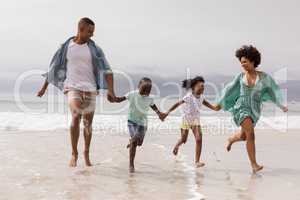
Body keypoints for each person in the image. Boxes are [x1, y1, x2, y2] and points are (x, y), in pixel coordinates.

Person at [37, 17, 117, 167]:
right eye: (89, 31)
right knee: (76, 115)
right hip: (72, 86)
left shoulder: (95, 49)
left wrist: (111, 91)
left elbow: (108, 71)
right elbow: (53, 68)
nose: (92, 35)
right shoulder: (66, 47)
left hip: (91, 88)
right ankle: (74, 153)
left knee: (88, 123)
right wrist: (44, 87)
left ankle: (86, 152)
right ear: (80, 29)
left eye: (93, 32)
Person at [215, 45, 288, 173]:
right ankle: (254, 165)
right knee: (251, 135)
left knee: (244, 136)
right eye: (241, 62)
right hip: (241, 107)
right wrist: (219, 103)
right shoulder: (240, 76)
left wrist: (281, 105)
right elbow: (229, 89)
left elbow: (272, 92)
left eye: (245, 62)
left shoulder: (264, 78)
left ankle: (231, 139)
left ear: (253, 61)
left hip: (254, 110)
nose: (242, 64)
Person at [161, 76, 219, 168]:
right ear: (193, 87)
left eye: (203, 86)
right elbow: (177, 104)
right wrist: (166, 113)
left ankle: (197, 161)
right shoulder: (188, 97)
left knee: (199, 139)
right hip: (186, 120)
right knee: (184, 139)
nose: (202, 88)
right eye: (200, 86)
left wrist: (214, 108)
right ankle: (177, 145)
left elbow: (207, 104)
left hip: (195, 121)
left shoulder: (201, 97)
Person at [114, 77, 165, 173]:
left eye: (148, 90)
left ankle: (132, 140)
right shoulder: (132, 94)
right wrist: (113, 98)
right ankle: (131, 165)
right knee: (134, 141)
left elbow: (153, 106)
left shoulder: (149, 98)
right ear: (138, 86)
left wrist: (159, 114)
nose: (146, 92)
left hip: (143, 123)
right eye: (144, 89)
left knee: (139, 143)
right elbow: (119, 99)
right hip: (132, 121)